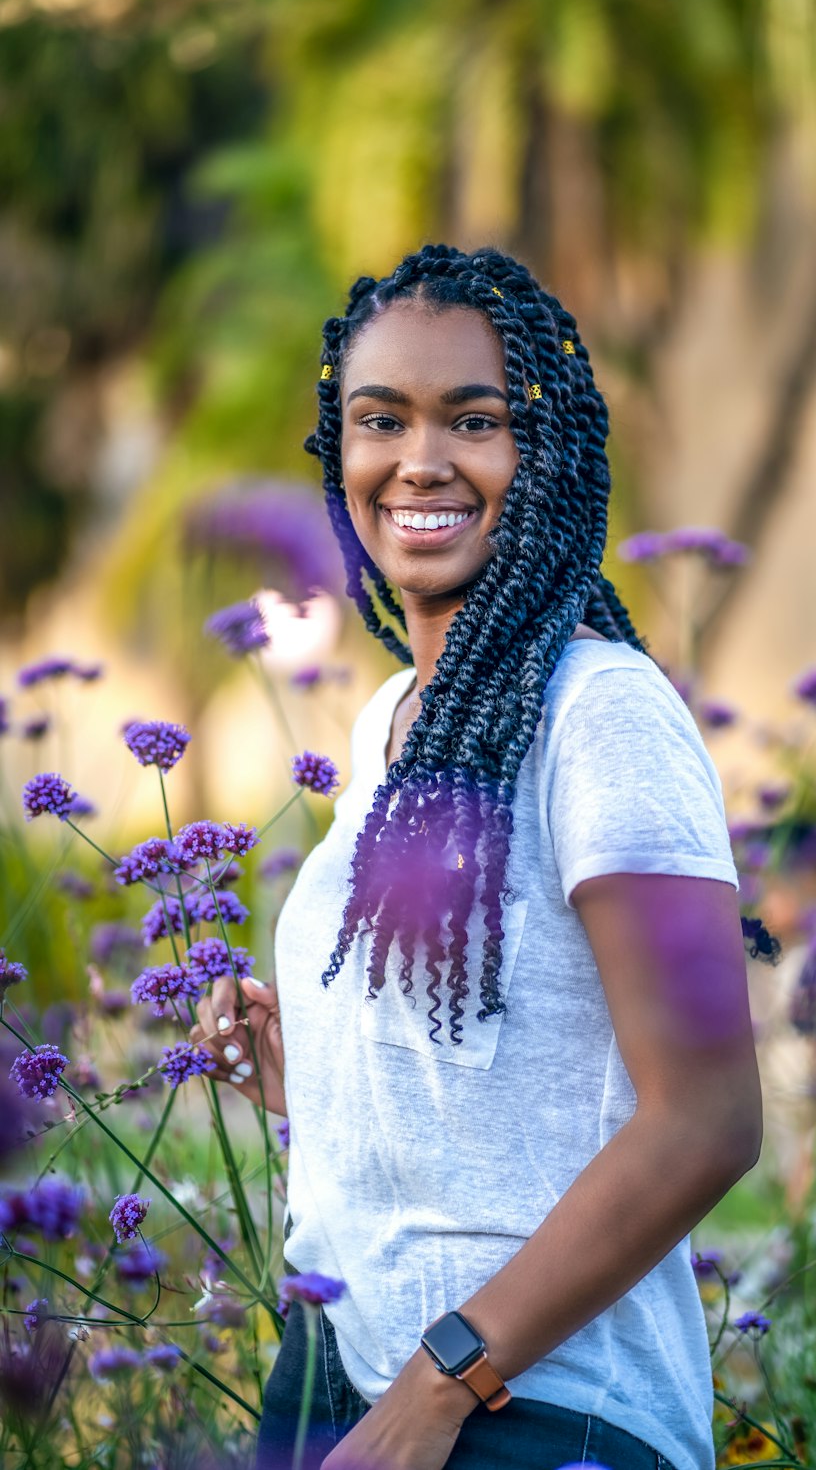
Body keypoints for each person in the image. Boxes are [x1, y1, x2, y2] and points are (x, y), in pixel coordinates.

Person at [194, 245, 762, 1470]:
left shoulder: (601, 714)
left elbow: (710, 1117)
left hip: (533, 1409)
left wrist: (444, 1380)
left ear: (542, 454)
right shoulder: (389, 715)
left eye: (475, 419)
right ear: (337, 453)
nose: (419, 460)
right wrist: (317, 1072)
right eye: (378, 419)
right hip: (336, 1370)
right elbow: (504, 1088)